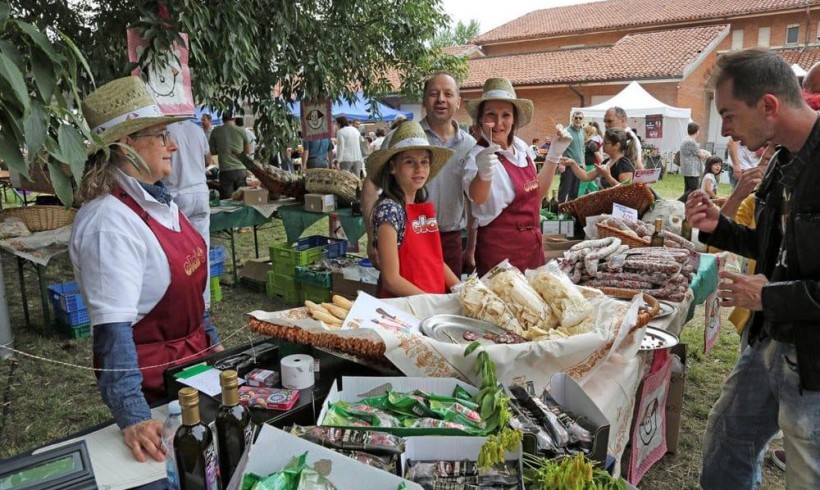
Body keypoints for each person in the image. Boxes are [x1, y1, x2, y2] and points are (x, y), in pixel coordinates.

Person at [685, 47, 820, 489]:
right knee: (729, 441)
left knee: (807, 470)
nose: (723, 128)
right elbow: (769, 248)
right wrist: (717, 228)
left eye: (727, 113)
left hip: (813, 357)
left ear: (768, 105)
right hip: (767, 339)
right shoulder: (782, 161)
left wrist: (767, 295)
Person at [71, 76, 223, 463]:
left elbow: (191, 293)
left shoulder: (163, 203)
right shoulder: (109, 223)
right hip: (157, 392)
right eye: (160, 135)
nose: (173, 144)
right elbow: (111, 335)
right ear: (127, 147)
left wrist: (212, 340)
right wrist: (134, 418)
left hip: (194, 370)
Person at [363, 72, 476, 278]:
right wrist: (372, 238)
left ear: (458, 101)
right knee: (404, 300)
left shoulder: (469, 145)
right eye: (434, 93)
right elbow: (370, 186)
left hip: (450, 239)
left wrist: (471, 245)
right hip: (405, 236)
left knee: (447, 301)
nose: (441, 99)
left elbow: (472, 199)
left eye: (448, 94)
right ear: (424, 101)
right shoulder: (404, 138)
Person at [462, 77, 557, 276]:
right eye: (491, 115)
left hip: (532, 250)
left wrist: (554, 155)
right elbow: (477, 198)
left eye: (506, 115)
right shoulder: (475, 158)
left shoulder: (521, 148)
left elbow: (537, 192)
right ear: (480, 118)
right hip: (499, 258)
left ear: (514, 119)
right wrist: (484, 175)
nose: (498, 123)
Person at [367, 121, 460, 297]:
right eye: (410, 162)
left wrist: (461, 288)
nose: (419, 169)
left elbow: (435, 260)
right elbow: (391, 280)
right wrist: (431, 302)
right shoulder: (389, 210)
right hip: (406, 308)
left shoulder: (419, 204)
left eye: (424, 162)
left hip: (430, 301)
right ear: (393, 167)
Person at [162, 120, 213, 309]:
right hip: (200, 191)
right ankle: (204, 302)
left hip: (176, 192)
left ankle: (185, 302)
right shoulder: (197, 129)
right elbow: (208, 160)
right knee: (203, 249)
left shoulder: (165, 130)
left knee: (179, 253)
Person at [560, 128, 635, 190]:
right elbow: (586, 177)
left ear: (616, 145)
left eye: (606, 142)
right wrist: (572, 163)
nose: (602, 144)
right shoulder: (606, 162)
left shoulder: (624, 164)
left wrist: (608, 176)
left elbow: (626, 191)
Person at [209, 111, 251, 198]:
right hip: (240, 170)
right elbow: (248, 151)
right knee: (241, 198)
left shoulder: (215, 131)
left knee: (228, 200)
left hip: (225, 171)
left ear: (223, 119)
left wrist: (222, 149)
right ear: (234, 118)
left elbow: (212, 152)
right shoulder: (241, 130)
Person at [678, 122, 710, 201]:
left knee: (688, 189)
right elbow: (700, 155)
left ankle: (685, 204)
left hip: (687, 168)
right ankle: (679, 202)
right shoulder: (691, 142)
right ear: (697, 131)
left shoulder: (686, 139)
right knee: (693, 189)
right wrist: (707, 155)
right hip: (692, 169)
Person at [557, 111, 585, 201]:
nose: (578, 120)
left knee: (574, 191)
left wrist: (583, 163)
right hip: (568, 166)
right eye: (576, 117)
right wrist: (560, 163)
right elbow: (559, 148)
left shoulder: (582, 132)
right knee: (564, 189)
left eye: (580, 118)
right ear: (572, 118)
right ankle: (559, 211)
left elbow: (582, 149)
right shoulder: (565, 132)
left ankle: (570, 212)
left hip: (579, 166)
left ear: (582, 119)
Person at [577, 125, 601, 196]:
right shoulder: (584, 143)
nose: (581, 133)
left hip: (589, 166)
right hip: (585, 166)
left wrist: (602, 164)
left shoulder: (591, 143)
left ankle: (577, 198)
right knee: (591, 184)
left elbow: (598, 155)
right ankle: (599, 195)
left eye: (583, 132)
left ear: (588, 133)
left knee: (583, 183)